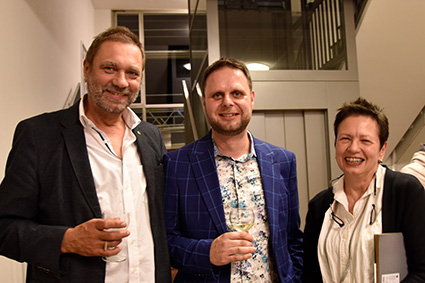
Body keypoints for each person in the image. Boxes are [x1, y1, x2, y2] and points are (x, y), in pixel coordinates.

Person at [0, 26, 171, 283]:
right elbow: (4, 228)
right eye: (109, 68)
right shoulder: (38, 135)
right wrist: (67, 240)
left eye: (132, 73)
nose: (121, 82)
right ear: (86, 68)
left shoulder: (150, 137)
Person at [163, 57, 303, 282]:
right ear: (204, 102)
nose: (227, 102)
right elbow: (166, 242)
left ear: (252, 98)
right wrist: (208, 252)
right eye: (217, 95)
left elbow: (293, 240)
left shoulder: (283, 162)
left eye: (237, 93)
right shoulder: (178, 164)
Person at [302, 98, 425, 282]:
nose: (353, 148)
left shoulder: (405, 191)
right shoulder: (319, 207)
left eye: (365, 140)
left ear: (382, 149)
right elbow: (310, 275)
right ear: (335, 144)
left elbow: (422, 270)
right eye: (345, 139)